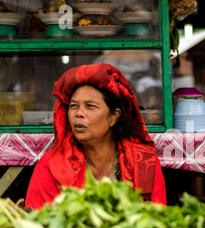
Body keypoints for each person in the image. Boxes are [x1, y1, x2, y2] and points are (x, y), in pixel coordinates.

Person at [25, 63, 166, 210]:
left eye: (90, 106)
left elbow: (156, 216)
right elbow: (40, 220)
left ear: (114, 117)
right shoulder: (52, 165)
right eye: (73, 106)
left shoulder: (143, 163)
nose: (79, 113)